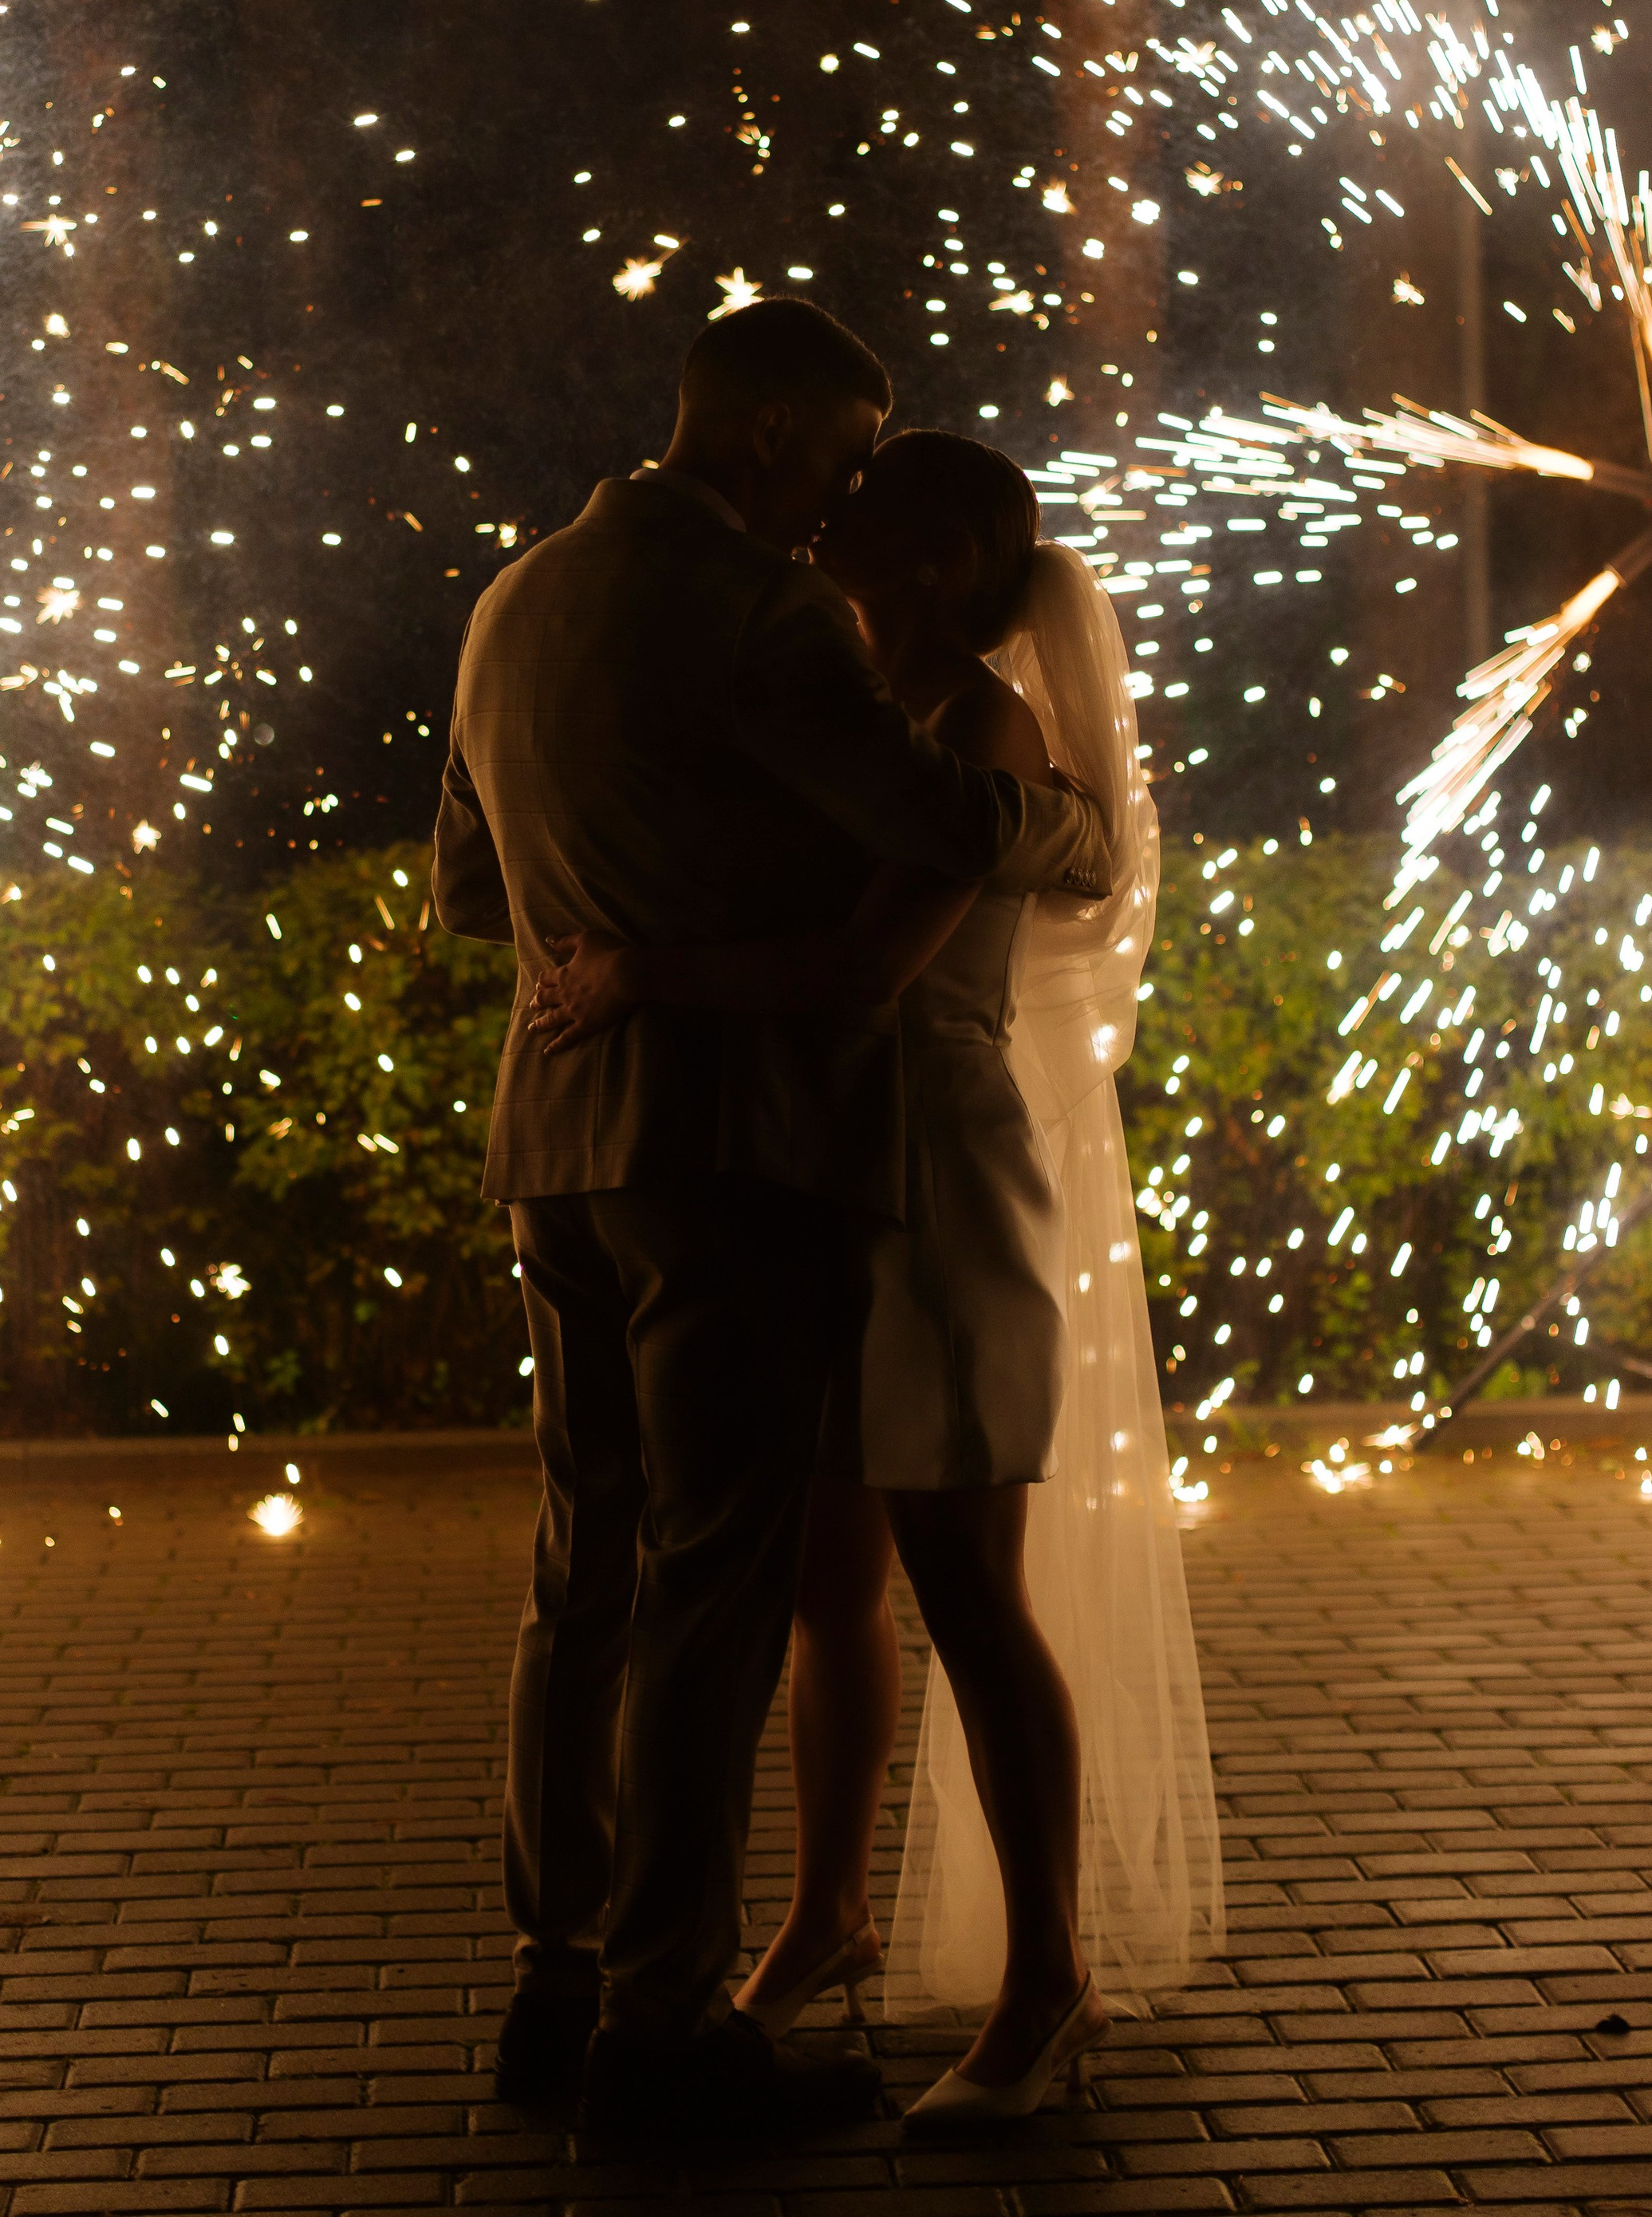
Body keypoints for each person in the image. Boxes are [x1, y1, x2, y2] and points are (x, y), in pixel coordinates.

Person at [431, 306, 1110, 2147]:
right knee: (711, 1585)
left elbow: (466, 888)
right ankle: (663, 2017)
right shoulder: (755, 610)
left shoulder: (508, 602)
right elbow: (929, 812)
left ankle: (552, 1972)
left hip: (552, 1141)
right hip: (719, 1153)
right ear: (767, 434)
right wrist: (1069, 828)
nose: (836, 504)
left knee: (578, 1572)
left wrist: (609, 952)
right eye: (837, 451)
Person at [530, 428, 1221, 2125]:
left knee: (969, 1589)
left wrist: (642, 973)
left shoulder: (985, 730)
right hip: (821, 1170)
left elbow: (863, 970)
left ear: (924, 562)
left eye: (855, 521)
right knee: (826, 1577)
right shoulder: (841, 705)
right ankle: (826, 1913)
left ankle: (1044, 1980)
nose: (817, 532)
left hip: (936, 1175)